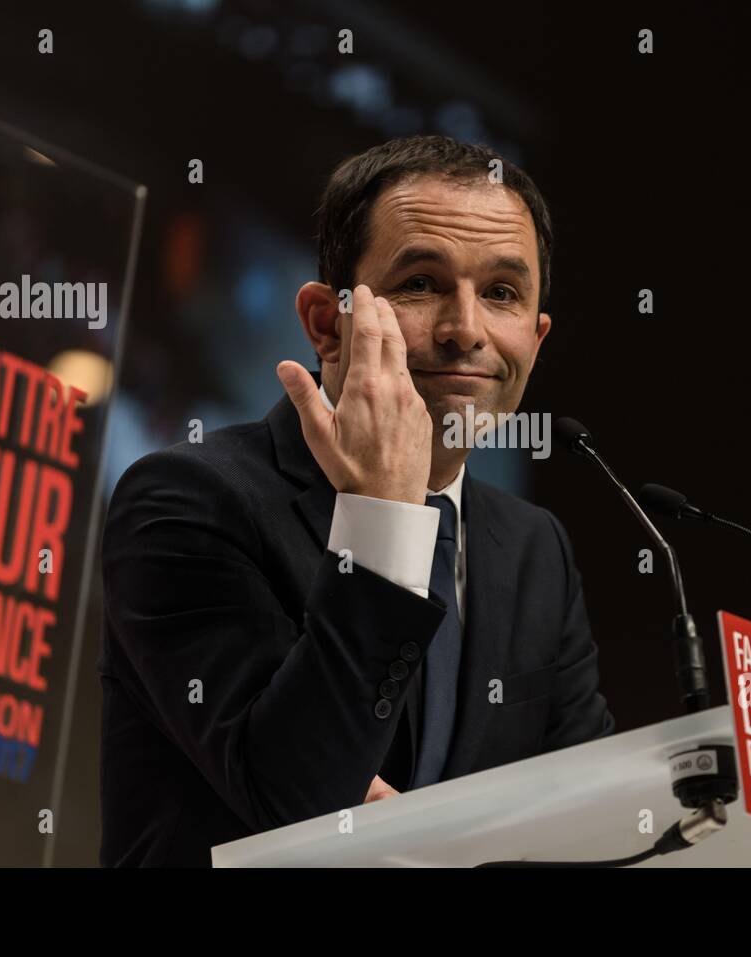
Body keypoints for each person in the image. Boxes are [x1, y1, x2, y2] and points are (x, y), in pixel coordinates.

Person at [98, 135, 614, 867]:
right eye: (422, 282)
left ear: (536, 336)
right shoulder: (186, 500)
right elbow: (293, 803)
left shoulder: (537, 551)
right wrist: (389, 525)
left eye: (502, 293)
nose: (466, 329)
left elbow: (586, 827)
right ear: (325, 324)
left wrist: (419, 839)